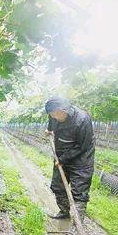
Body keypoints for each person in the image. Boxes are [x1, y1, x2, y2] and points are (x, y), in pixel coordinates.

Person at [44, 97, 95, 227]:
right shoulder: (53, 116)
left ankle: (77, 225)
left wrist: (62, 159)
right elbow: (51, 127)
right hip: (61, 155)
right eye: (52, 115)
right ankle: (64, 211)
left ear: (65, 110)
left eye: (57, 114)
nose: (55, 117)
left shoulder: (82, 119)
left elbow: (82, 146)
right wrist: (49, 131)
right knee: (58, 186)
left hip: (81, 158)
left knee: (79, 192)